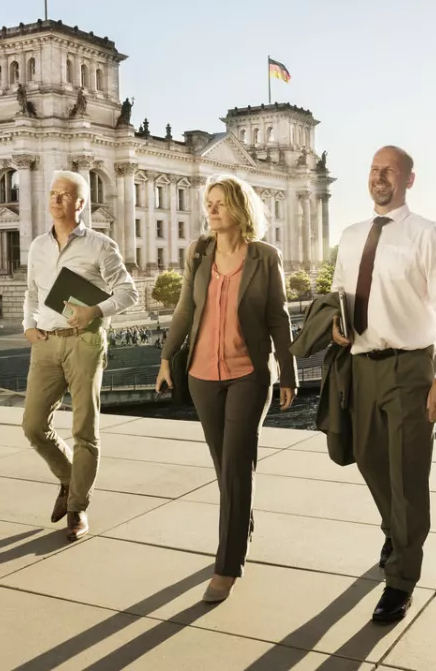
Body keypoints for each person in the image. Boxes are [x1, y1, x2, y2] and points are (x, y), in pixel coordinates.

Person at [332, 146, 436, 624]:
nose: (379, 177)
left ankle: (401, 578)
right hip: (363, 366)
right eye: (373, 169)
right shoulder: (349, 237)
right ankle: (396, 529)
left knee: (407, 476)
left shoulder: (428, 234)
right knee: (368, 459)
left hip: (412, 369)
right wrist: (336, 325)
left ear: (409, 180)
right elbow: (339, 293)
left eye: (389, 171)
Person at [156, 174, 298, 603]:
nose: (210, 210)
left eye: (218, 203)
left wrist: (288, 371)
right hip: (201, 376)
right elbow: (185, 308)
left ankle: (227, 565)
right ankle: (242, 524)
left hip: (248, 375)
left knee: (236, 464)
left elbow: (278, 316)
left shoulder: (264, 256)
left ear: (239, 208)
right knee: (226, 467)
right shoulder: (198, 252)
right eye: (209, 203)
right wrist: (166, 358)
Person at [22, 170, 138, 540]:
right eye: (53, 194)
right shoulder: (38, 245)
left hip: (85, 341)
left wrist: (94, 311)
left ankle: (77, 509)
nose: (56, 200)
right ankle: (70, 480)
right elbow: (31, 292)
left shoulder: (101, 245)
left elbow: (129, 292)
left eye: (65, 195)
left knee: (84, 429)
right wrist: (28, 325)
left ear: (81, 204)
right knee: (33, 426)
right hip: (46, 342)